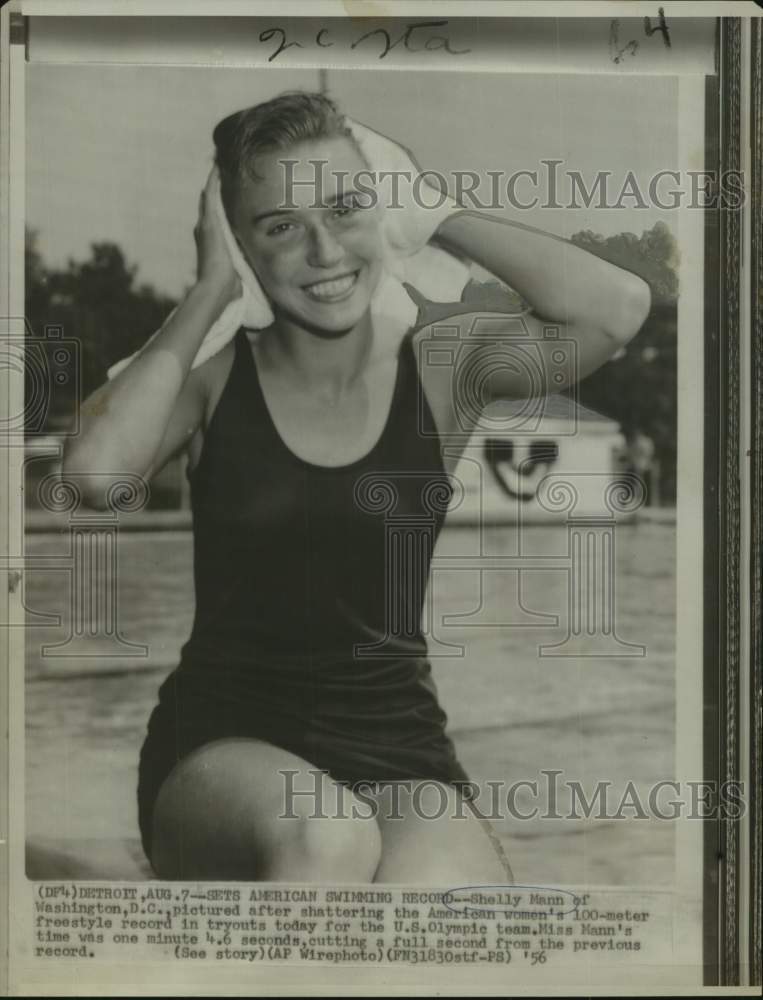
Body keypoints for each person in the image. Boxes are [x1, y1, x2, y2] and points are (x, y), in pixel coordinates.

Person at [64, 91, 651, 883]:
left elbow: (615, 308)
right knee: (324, 839)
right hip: (221, 751)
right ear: (242, 247)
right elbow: (96, 476)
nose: (323, 250)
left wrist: (430, 211)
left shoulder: (443, 369)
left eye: (345, 209)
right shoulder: (208, 382)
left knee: (448, 908)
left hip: (399, 748)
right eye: (279, 227)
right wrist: (208, 292)